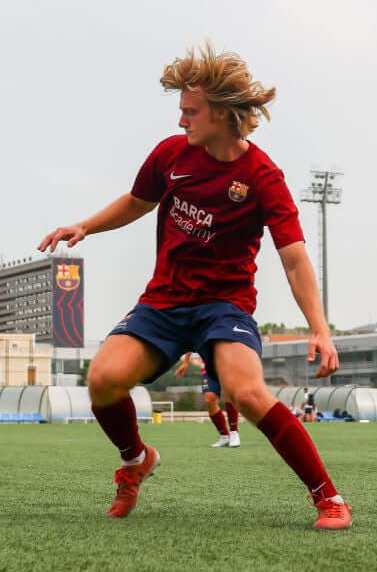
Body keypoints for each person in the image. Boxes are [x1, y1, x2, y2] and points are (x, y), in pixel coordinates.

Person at [38, 44, 351, 530]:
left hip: (223, 307)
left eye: (190, 111)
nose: (181, 119)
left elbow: (293, 258)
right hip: (163, 301)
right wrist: (85, 227)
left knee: (246, 393)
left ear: (224, 114)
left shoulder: (263, 176)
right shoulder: (170, 155)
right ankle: (135, 459)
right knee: (102, 378)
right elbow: (136, 202)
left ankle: (328, 497)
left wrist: (320, 328)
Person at [174, 352, 240, 447]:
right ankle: (224, 436)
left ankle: (234, 432)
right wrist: (186, 362)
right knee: (209, 399)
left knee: (229, 394)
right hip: (208, 369)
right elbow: (191, 339)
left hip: (227, 364)